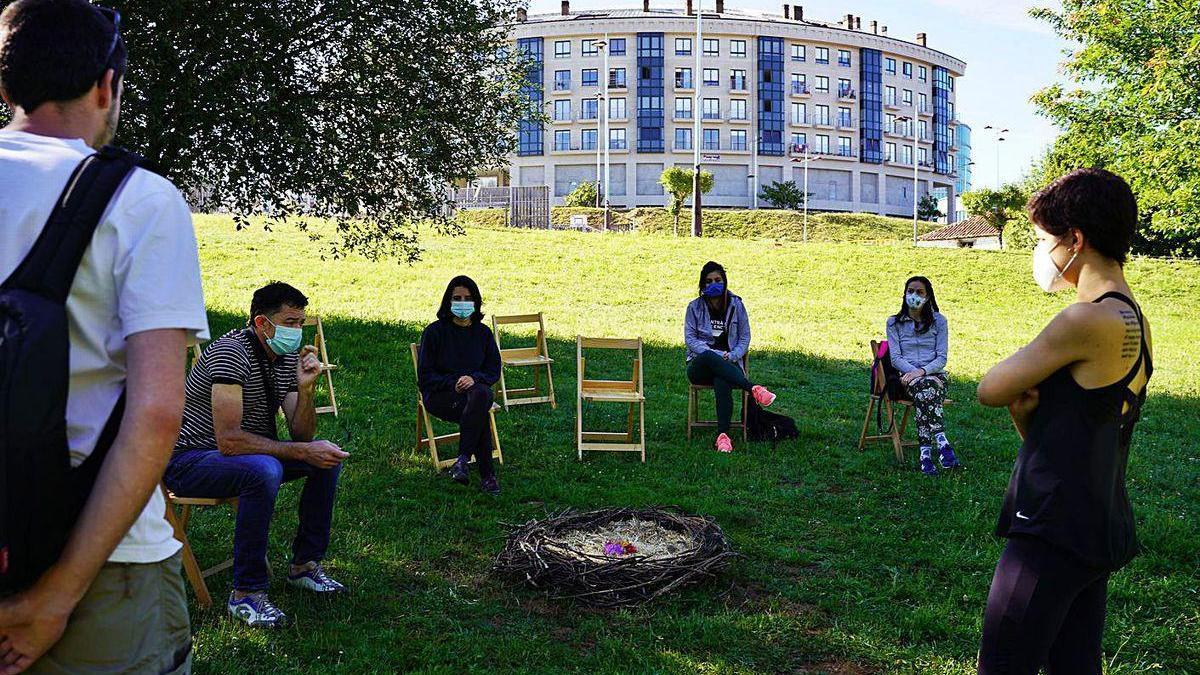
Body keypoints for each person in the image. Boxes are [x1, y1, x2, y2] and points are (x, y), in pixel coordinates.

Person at [0, 0, 209, 671]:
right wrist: (57, 597)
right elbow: (155, 414)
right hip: (104, 567)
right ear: (106, 85)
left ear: (6, 87)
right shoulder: (143, 202)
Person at [976, 169, 1153, 674]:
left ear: (1076, 239)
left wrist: (1016, 393)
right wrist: (1025, 414)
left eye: (1043, 239)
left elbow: (991, 387)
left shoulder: (1085, 319)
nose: (1041, 252)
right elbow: (1077, 432)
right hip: (1096, 521)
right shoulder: (1134, 318)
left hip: (1049, 531)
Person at [165, 283, 349, 629]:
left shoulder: (283, 358)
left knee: (325, 459)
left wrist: (307, 389)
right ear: (263, 323)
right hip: (190, 460)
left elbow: (301, 434)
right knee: (264, 469)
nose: (297, 331)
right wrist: (302, 450)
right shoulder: (230, 353)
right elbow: (229, 442)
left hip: (242, 456)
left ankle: (304, 566)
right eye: (290, 323)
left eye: (300, 323)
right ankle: (246, 593)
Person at [418, 275, 503, 495]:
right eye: (457, 298)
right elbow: (425, 377)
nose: (462, 303)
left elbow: (493, 370)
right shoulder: (434, 332)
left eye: (468, 298)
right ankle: (486, 475)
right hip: (442, 395)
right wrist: (453, 383)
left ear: (476, 302)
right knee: (480, 407)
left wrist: (474, 378)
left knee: (480, 396)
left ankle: (463, 460)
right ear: (448, 301)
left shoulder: (483, 333)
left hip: (474, 395)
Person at [684, 261, 776, 453]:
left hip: (729, 364)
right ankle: (753, 388)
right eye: (708, 281)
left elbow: (745, 336)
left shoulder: (736, 305)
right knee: (710, 356)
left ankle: (723, 437)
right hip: (700, 366)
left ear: (724, 281)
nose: (713, 284)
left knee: (722, 378)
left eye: (717, 280)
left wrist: (733, 355)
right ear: (703, 285)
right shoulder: (694, 307)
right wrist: (717, 355)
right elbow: (691, 339)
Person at [885, 276, 960, 475]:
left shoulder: (939, 321)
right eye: (910, 291)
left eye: (919, 292)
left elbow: (941, 358)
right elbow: (896, 358)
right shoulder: (894, 323)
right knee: (925, 390)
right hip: (908, 378)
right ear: (904, 294)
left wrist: (924, 372)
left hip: (935, 376)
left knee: (925, 392)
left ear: (928, 296)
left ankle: (925, 455)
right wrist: (915, 374)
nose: (914, 295)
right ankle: (941, 444)